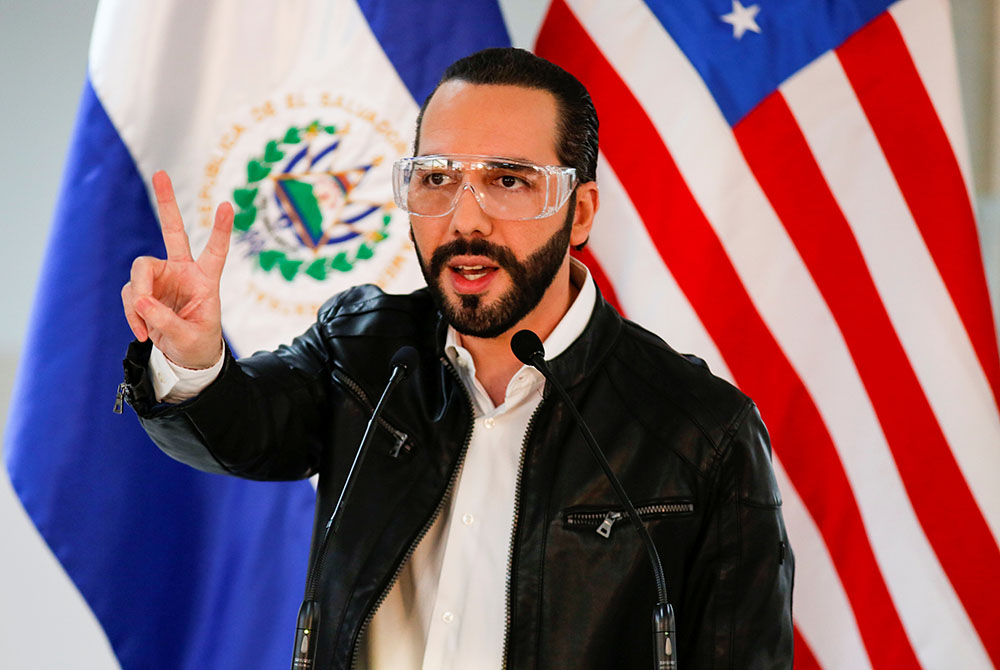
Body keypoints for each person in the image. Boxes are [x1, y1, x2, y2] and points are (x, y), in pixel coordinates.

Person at [120, 48, 794, 669]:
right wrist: (195, 355)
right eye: (437, 178)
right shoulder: (363, 352)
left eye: (509, 181)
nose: (466, 219)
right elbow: (240, 429)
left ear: (580, 212)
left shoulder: (700, 433)